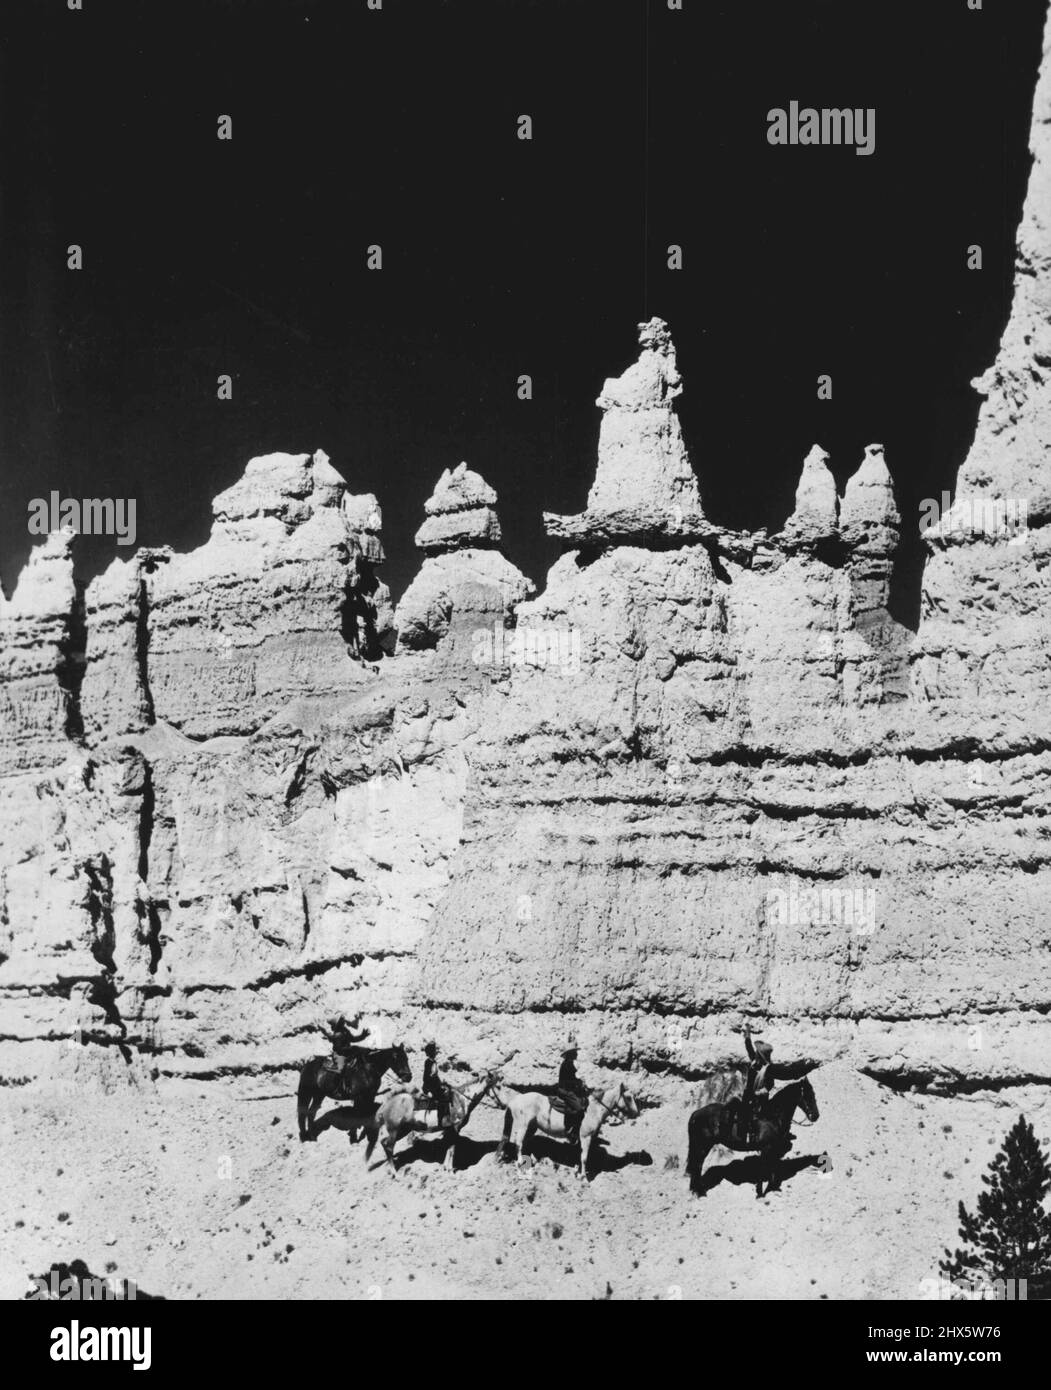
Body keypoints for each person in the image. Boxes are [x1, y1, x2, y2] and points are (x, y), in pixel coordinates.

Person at [737, 1025, 776, 1142]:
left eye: (758, 1053)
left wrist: (762, 1091)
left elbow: (770, 1084)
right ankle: (743, 1136)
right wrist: (747, 1032)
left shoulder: (768, 1069)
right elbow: (748, 1045)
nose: (756, 1054)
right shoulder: (754, 1061)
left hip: (761, 1097)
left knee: (771, 1115)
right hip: (749, 1094)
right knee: (744, 1114)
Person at [556, 1042, 589, 1140]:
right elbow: (568, 1081)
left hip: (566, 1089)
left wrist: (579, 1082)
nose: (577, 1054)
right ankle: (573, 1133)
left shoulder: (568, 1063)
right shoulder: (568, 1064)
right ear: (571, 1053)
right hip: (565, 1090)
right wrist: (579, 1084)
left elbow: (572, 1078)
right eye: (575, 1052)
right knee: (579, 1109)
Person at [421, 1042, 450, 1126]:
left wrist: (441, 1083)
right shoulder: (428, 1062)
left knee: (448, 1093)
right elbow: (426, 1078)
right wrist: (428, 1090)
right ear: (431, 1053)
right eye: (434, 1051)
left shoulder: (434, 1061)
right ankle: (440, 1122)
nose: (435, 1053)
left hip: (435, 1085)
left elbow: (435, 1076)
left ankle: (446, 1117)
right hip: (429, 1087)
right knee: (442, 1098)